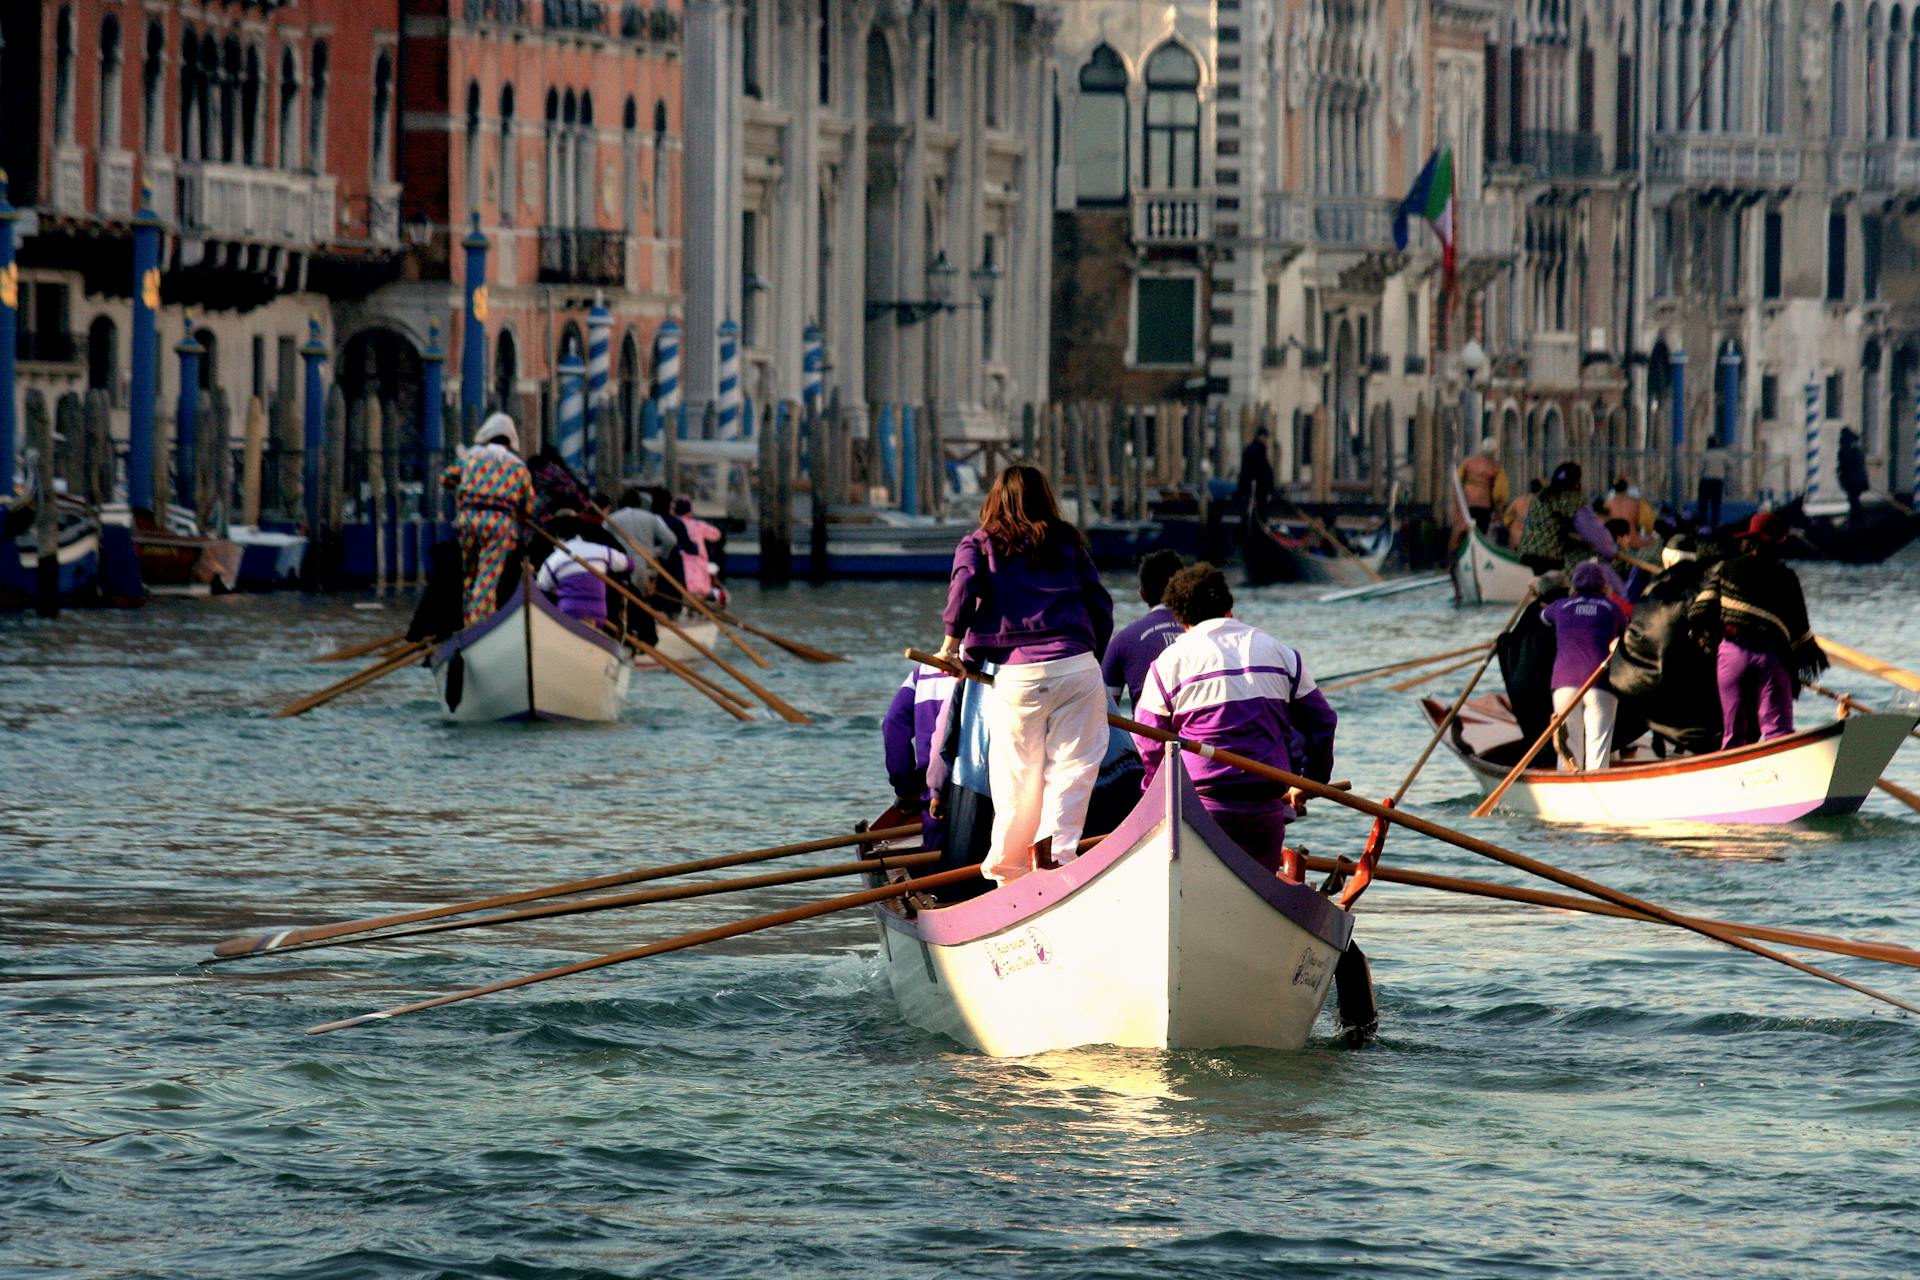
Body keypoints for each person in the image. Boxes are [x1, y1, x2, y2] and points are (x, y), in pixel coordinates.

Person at [933, 464, 1114, 884]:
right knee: (1072, 772)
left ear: (995, 499)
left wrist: (950, 646)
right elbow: (1100, 605)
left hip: (1020, 676)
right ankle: (1058, 861)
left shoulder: (980, 543)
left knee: (1018, 778)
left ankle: (1009, 874)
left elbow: (964, 586)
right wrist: (1092, 659)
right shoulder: (1068, 542)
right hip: (1077, 666)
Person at [1130, 563, 1337, 879]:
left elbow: (1149, 743)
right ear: (1229, 607)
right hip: (1265, 810)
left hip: (1199, 810)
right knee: (1257, 880)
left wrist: (1156, 797)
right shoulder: (1281, 653)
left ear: (1180, 618)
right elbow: (1322, 723)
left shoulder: (1168, 664)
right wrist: (1310, 784)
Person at [1688, 510, 1828, 748]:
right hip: (1771, 659)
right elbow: (1800, 632)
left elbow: (1700, 611)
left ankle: (1732, 774)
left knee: (1732, 733)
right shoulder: (1786, 577)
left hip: (1731, 657)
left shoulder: (1727, 568)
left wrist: (1715, 643)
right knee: (1778, 733)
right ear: (1780, 542)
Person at [1607, 534, 1722, 754]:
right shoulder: (1705, 589)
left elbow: (1641, 631)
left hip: (1645, 681)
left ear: (1667, 561)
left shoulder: (1653, 590)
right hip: (1687, 677)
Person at [440, 413, 535, 626]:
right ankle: (480, 623)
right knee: (488, 576)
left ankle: (465, 619)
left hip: (468, 519)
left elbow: (445, 478)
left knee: (468, 572)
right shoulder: (518, 467)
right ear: (510, 441)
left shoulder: (470, 457)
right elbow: (528, 505)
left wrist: (464, 483)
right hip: (499, 523)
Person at [1542, 562, 1627, 771]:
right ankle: (1597, 784)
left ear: (1574, 585)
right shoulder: (1613, 609)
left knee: (1568, 750)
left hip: (1564, 684)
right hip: (1601, 683)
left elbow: (1543, 618)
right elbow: (1625, 633)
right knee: (1598, 748)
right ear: (1604, 585)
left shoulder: (1560, 606)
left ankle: (1566, 788)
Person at [883, 662, 961, 838]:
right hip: (979, 794)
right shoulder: (997, 664)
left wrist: (905, 790)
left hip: (932, 797)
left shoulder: (924, 670)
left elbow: (892, 724)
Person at [1101, 549, 1187, 709]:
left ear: (1143, 594)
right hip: (1201, 731)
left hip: (1147, 732)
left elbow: (1106, 712)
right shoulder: (1208, 637)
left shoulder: (1124, 640)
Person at [1498, 571, 1571, 747]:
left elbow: (1512, 641)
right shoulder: (1566, 608)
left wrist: (1501, 641)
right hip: (1549, 684)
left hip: (1529, 685)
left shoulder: (1534, 609)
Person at [531, 510, 631, 626]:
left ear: (558, 536)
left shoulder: (553, 559)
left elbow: (542, 587)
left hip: (568, 614)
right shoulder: (599, 550)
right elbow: (629, 564)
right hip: (599, 615)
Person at [1516, 461, 1616, 573]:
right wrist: (1611, 551)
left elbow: (1530, 522)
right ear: (1577, 483)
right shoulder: (1573, 500)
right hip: (1549, 561)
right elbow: (1596, 535)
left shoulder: (1540, 497)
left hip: (1524, 556)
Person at [606, 487, 679, 594]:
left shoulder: (612, 519)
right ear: (639, 503)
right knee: (643, 598)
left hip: (622, 564)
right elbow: (671, 540)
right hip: (646, 564)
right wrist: (659, 553)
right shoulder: (651, 518)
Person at [672, 496, 727, 604]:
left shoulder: (673, 524)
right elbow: (716, 535)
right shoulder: (698, 525)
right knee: (700, 590)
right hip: (697, 565)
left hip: (678, 564)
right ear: (689, 512)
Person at [529, 445, 592, 529]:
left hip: (535, 507)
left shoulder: (534, 469)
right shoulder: (554, 470)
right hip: (552, 509)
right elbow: (572, 487)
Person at [1458, 437, 1511, 533]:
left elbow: (1458, 480)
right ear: (1495, 451)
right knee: (1481, 531)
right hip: (1484, 505)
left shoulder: (1468, 462)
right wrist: (1498, 507)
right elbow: (1500, 492)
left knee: (1465, 530)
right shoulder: (1496, 468)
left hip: (1466, 503)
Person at [1604, 477, 1657, 550]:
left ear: (1614, 490)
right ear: (1626, 489)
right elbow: (1649, 524)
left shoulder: (1607, 505)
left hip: (1612, 542)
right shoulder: (1637, 503)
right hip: (1632, 541)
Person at [1235, 427, 1276, 520]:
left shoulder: (1258, 451)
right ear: (1259, 437)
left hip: (1258, 491)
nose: (1267, 440)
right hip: (1256, 492)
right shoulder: (1255, 451)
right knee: (1256, 515)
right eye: (1265, 437)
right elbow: (1259, 473)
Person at [1838, 428, 1869, 522]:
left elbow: (1846, 465)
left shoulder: (1845, 450)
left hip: (1853, 481)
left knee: (1853, 499)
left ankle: (1857, 518)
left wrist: (1842, 474)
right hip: (1857, 480)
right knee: (1854, 499)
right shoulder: (1857, 450)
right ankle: (1856, 518)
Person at [1502, 478, 1541, 547]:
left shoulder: (1519, 499)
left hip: (1517, 534)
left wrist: (1509, 526)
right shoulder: (1543, 502)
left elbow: (1507, 516)